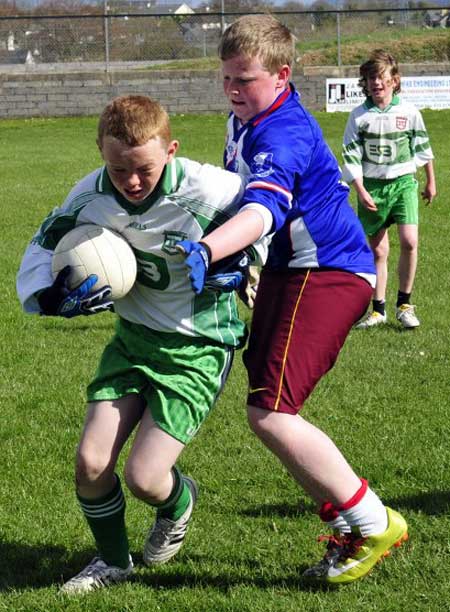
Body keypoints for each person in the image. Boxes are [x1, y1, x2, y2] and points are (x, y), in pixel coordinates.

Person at [176, 15, 408, 585]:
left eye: (245, 79)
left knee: (272, 412)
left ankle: (373, 522)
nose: (233, 90)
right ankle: (356, 524)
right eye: (226, 78)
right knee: (266, 408)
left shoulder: (283, 131)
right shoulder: (248, 116)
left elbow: (261, 211)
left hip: (328, 273)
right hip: (292, 270)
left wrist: (209, 251)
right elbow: (239, 199)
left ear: (282, 75)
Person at [16, 94, 266, 594]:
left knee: (145, 478)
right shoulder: (90, 193)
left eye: (144, 170)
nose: (130, 182)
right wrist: (47, 295)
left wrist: (247, 260)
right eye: (117, 169)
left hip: (196, 348)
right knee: (90, 464)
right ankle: (113, 562)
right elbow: (45, 241)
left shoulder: (211, 189)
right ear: (100, 154)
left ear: (171, 150)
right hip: (131, 342)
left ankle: (177, 503)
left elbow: (273, 212)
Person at [343, 49, 436, 329]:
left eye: (381, 77)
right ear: (366, 83)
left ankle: (405, 305)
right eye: (371, 78)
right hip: (372, 187)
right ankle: (378, 309)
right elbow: (350, 156)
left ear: (394, 80)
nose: (376, 83)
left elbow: (423, 147)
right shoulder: (358, 116)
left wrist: (431, 181)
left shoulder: (408, 112)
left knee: (409, 241)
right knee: (378, 251)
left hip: (404, 183)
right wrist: (360, 190)